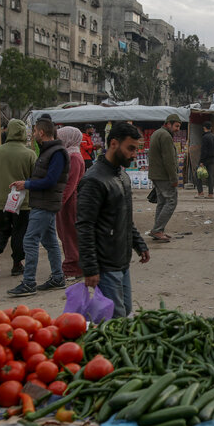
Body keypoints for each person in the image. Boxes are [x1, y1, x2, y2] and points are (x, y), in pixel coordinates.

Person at [77, 122, 151, 317]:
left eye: (136, 149)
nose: (134, 155)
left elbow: (125, 217)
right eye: (130, 149)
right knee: (115, 319)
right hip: (105, 265)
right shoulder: (93, 180)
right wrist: (90, 268)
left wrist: (139, 243)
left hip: (121, 261)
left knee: (125, 311)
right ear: (113, 144)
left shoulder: (122, 176)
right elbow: (84, 226)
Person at [7, 118, 68, 297]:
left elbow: (50, 181)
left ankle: (28, 282)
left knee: (30, 240)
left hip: (45, 203)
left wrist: (27, 184)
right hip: (43, 202)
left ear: (41, 132)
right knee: (50, 242)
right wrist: (25, 183)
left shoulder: (57, 153)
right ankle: (58, 277)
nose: (33, 134)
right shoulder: (48, 151)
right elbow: (44, 178)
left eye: (34, 131)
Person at [0, 119, 36, 278]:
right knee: (20, 233)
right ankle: (17, 264)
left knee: (0, 230)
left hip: (1, 202)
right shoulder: (29, 154)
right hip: (23, 203)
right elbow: (36, 179)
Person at [56, 126, 86, 279]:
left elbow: (70, 184)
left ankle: (73, 268)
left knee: (69, 235)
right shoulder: (69, 154)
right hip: (67, 201)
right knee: (66, 234)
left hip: (70, 202)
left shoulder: (73, 157)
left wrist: (59, 202)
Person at [148, 114, 182, 243]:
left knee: (162, 202)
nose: (178, 129)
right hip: (164, 176)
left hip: (156, 175)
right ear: (168, 124)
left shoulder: (157, 133)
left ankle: (158, 230)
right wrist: (174, 178)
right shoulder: (166, 136)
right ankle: (157, 230)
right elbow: (169, 160)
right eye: (176, 126)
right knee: (171, 201)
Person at [195, 121, 214, 199]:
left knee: (198, 174)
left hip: (205, 160)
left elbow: (204, 150)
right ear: (211, 128)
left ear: (204, 128)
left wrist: (202, 161)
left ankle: (200, 192)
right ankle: (210, 194)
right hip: (212, 159)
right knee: (210, 176)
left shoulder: (205, 137)